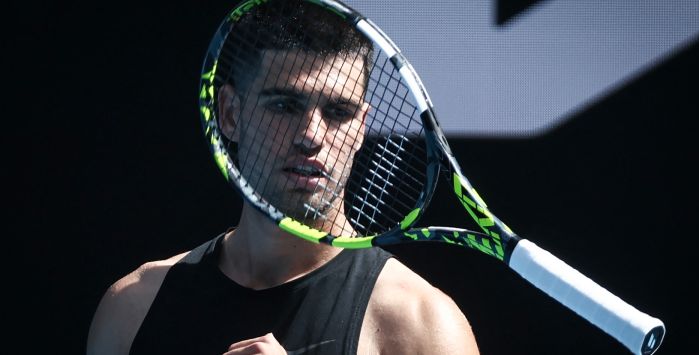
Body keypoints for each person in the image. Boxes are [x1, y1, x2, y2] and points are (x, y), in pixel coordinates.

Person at [87, 1, 480, 354]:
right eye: (285, 105)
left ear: (361, 127)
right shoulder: (132, 308)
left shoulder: (424, 328)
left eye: (338, 113)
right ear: (230, 114)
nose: (311, 136)